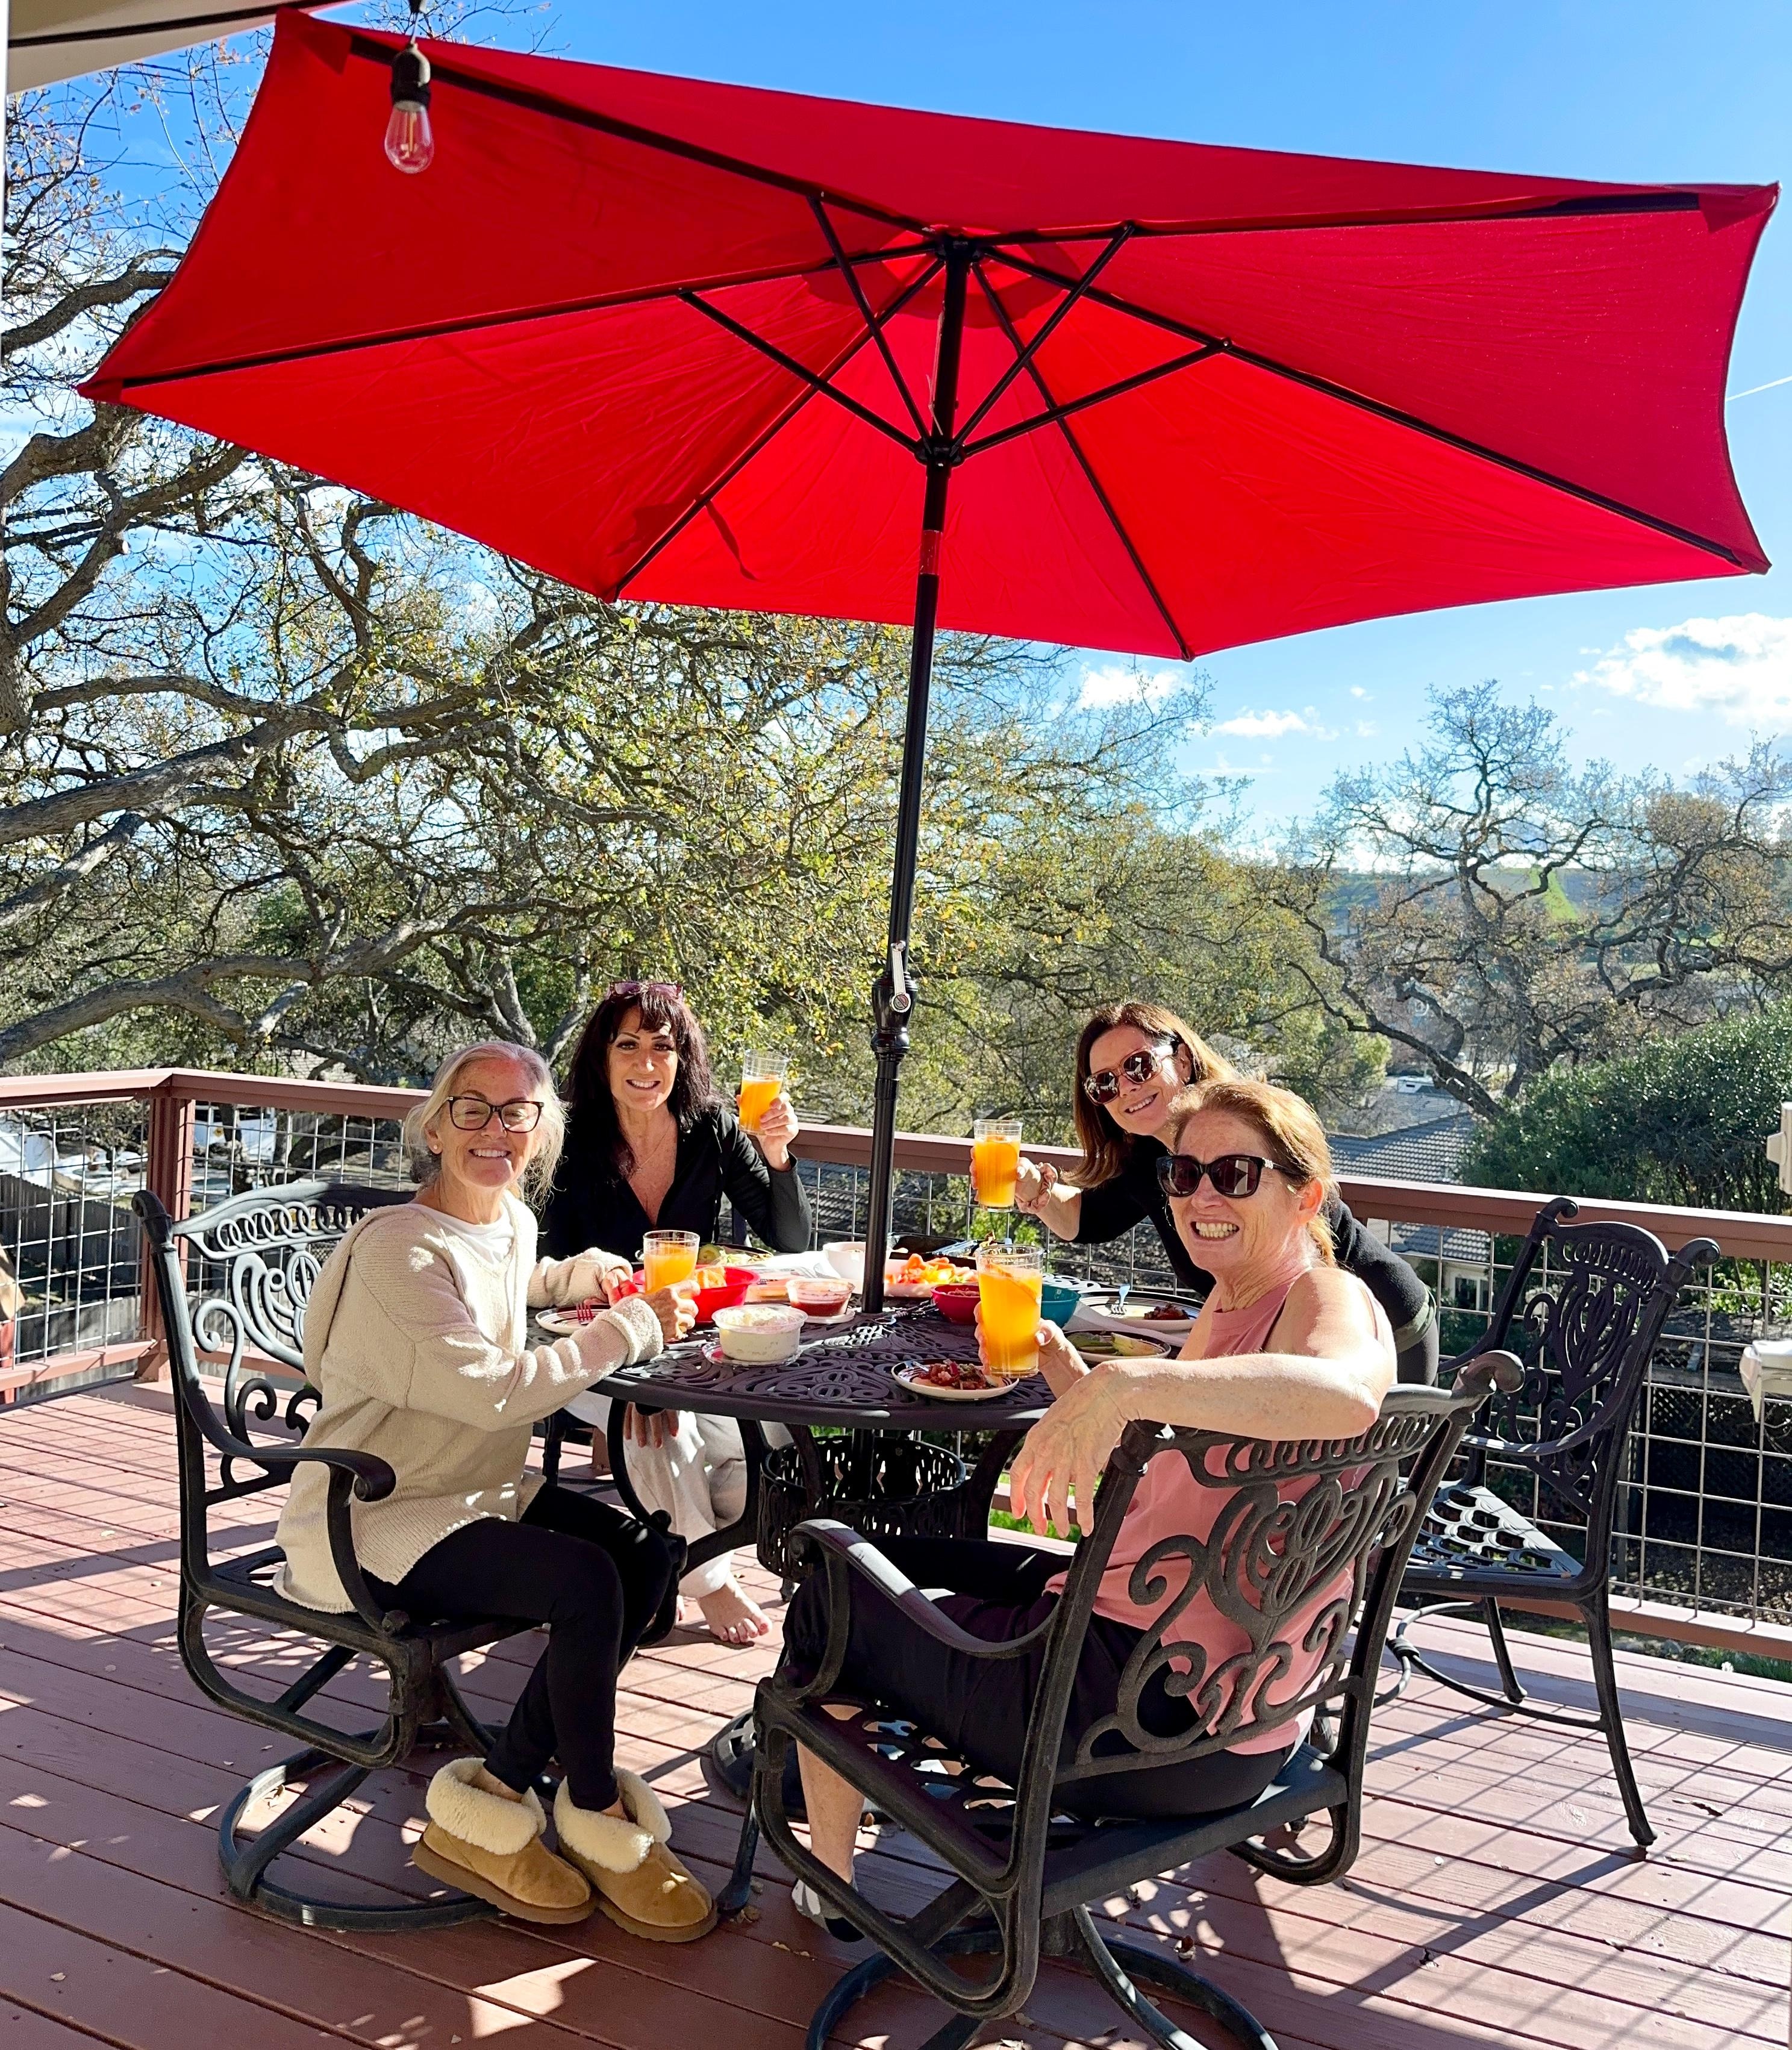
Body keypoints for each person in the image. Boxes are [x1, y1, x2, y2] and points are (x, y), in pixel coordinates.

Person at [781, 1075, 1396, 1940]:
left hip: (1142, 1725)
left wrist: (1127, 1379)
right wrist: (1078, 1379)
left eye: (1234, 1173)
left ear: (1305, 1195)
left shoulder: (1326, 1298)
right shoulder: (1235, 1297)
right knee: (863, 1550)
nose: (1201, 1196)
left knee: (827, 1601)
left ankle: (828, 1876)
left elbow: (1345, 1395)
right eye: (1182, 1175)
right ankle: (836, 1753)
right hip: (1192, 1684)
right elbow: (1183, 1480)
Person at [273, 1039, 716, 1939]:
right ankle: (596, 1812)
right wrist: (629, 1324)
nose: (495, 1130)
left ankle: (497, 1794)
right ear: (435, 1125)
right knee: (582, 1582)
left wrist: (576, 1275)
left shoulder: (506, 1215)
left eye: (519, 1113)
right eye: (474, 1108)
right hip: (376, 1511)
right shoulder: (399, 1248)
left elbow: (508, 1280)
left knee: (639, 1553)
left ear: (541, 1131)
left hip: (469, 1488)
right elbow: (491, 1385)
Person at [542, 980, 813, 1646]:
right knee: (652, 1430)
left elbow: (790, 1239)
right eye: (627, 1045)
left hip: (693, 1343)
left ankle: (676, 1544)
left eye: (662, 1046)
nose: (645, 1063)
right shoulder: (567, 1140)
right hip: (585, 1345)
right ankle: (707, 1578)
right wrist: (623, 1347)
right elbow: (547, 1270)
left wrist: (778, 1157)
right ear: (600, 1059)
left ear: (681, 1056)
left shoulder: (713, 1130)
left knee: (768, 1437)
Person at [1012, 999, 1438, 1384]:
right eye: (1104, 1083)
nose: (1125, 1087)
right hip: (1274, 1349)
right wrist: (1036, 1188)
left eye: (1138, 1065)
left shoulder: (1249, 1132)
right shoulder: (1148, 1161)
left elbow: (1308, 1290)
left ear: (1181, 1058)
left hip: (1376, 1327)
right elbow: (1090, 1219)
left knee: (1362, 1472)